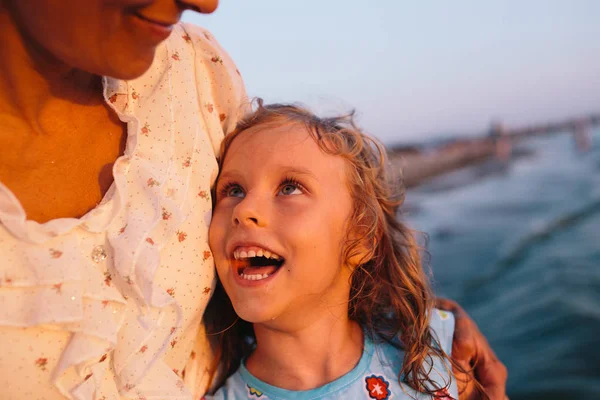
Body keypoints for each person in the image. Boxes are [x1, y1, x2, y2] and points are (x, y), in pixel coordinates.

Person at [0, 1, 506, 399]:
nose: (243, 209)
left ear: (361, 237)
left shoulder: (438, 362)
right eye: (231, 190)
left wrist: (424, 321)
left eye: (290, 188)